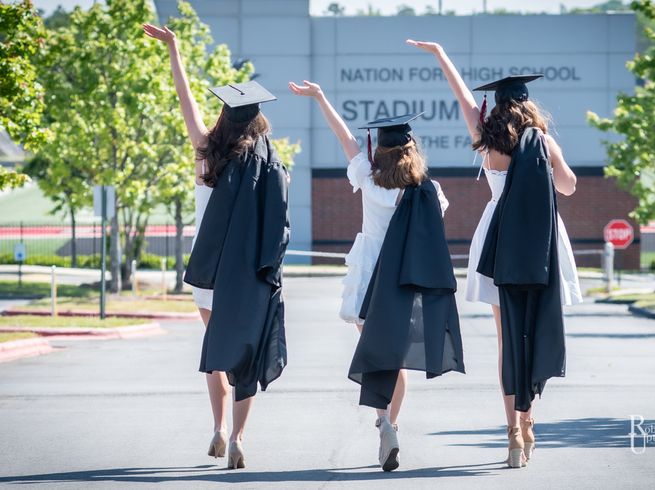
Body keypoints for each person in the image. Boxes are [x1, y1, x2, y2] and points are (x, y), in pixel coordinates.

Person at [408, 39, 582, 469]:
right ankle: (529, 418)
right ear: (529, 108)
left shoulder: (486, 141)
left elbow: (464, 98)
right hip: (541, 241)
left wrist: (440, 55)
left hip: (499, 240)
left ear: (498, 108)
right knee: (535, 329)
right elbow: (569, 186)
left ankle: (512, 435)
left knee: (507, 342)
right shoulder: (542, 142)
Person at [289, 80, 463, 472]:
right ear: (412, 150)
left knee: (376, 352)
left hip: (368, 276)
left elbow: (345, 137)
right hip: (403, 279)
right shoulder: (429, 191)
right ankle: (390, 423)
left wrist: (320, 96)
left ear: (378, 150)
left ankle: (383, 421)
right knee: (396, 359)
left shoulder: (367, 177)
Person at [143, 24, 290, 470]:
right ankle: (241, 436)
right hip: (250, 276)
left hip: (209, 274)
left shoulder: (205, 152)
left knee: (216, 346)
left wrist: (174, 49)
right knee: (245, 353)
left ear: (225, 118)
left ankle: (219, 428)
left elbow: (184, 100)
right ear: (259, 121)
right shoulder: (270, 164)